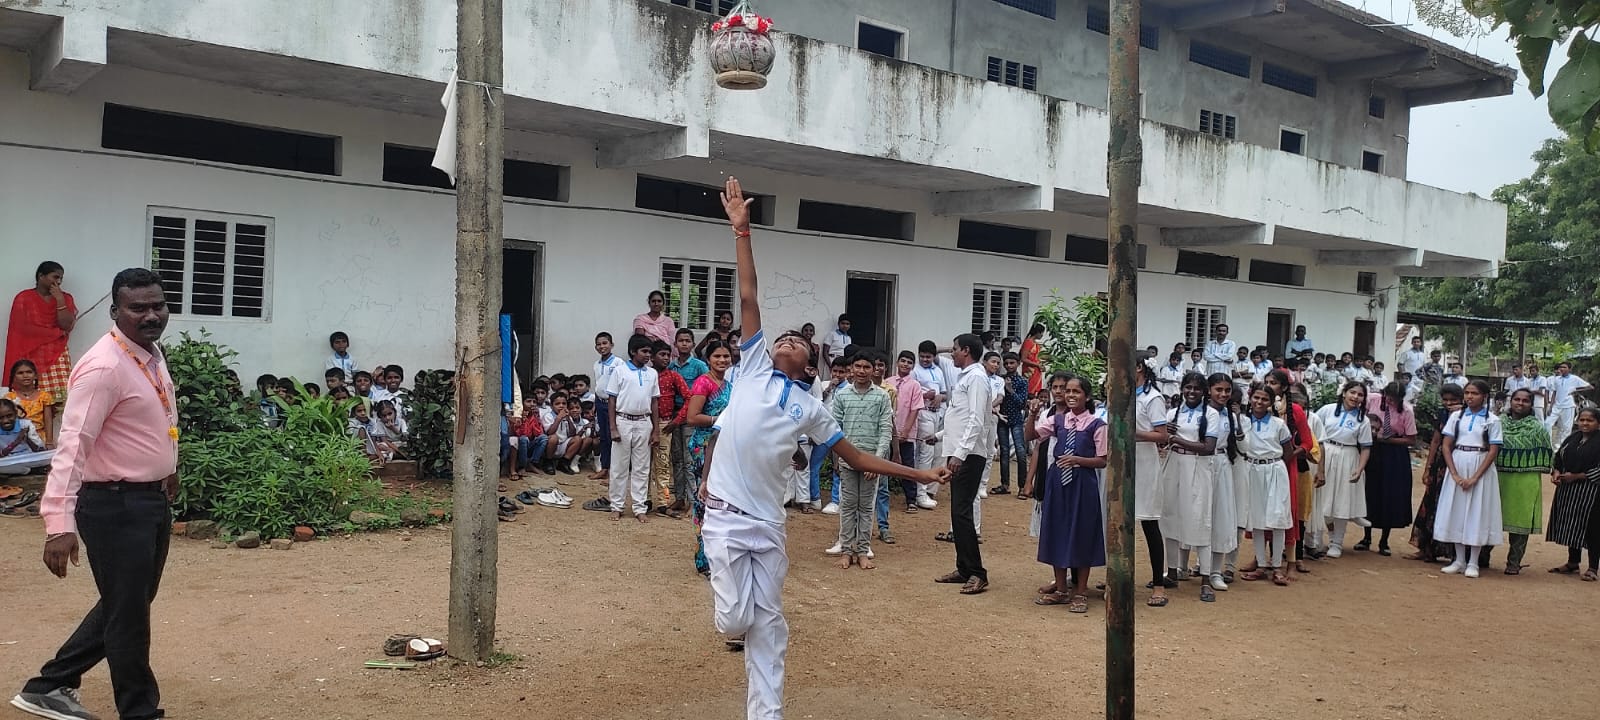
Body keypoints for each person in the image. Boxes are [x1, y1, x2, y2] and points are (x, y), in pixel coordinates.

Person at [698, 177, 946, 718]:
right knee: (737, 622)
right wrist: (742, 232)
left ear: (811, 365)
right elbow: (748, 296)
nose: (782, 340)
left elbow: (855, 458)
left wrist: (919, 477)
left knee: (770, 628)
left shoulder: (812, 407)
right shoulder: (751, 369)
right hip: (723, 519)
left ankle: (767, 713)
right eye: (779, 338)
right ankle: (732, 625)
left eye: (794, 342)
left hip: (766, 526)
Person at [15, 268, 177, 720]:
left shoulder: (149, 353)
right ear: (114, 311)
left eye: (157, 305)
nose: (151, 315)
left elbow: (156, 416)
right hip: (114, 504)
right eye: (137, 308)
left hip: (147, 499)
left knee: (129, 601)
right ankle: (140, 711)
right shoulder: (104, 366)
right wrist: (59, 524)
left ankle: (49, 684)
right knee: (129, 614)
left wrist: (169, 466)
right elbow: (71, 447)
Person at [1026, 373, 1107, 613]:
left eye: (1076, 392)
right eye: (1067, 391)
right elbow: (1031, 436)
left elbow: (1102, 460)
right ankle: (1061, 589)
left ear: (1087, 396)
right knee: (1057, 530)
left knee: (1082, 532)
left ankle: (1080, 591)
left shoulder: (1096, 425)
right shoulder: (1059, 421)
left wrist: (1078, 460)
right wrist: (1032, 414)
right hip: (1057, 482)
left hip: (1083, 484)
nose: (1070, 395)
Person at [932, 333, 993, 596]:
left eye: (955, 349)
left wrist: (960, 454)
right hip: (959, 451)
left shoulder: (977, 378)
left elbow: (977, 420)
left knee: (962, 511)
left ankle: (977, 573)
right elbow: (959, 418)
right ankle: (964, 568)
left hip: (969, 455)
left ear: (966, 351)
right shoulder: (966, 377)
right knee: (957, 512)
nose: (952, 353)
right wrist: (937, 436)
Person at [828, 352, 893, 569]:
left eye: (867, 367)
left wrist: (877, 460)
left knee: (866, 507)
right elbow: (835, 429)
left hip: (871, 461)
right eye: (858, 366)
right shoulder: (842, 395)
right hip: (847, 460)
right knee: (847, 506)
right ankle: (846, 551)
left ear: (874, 369)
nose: (862, 371)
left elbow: (886, 429)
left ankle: (863, 551)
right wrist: (837, 457)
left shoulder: (882, 396)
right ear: (852, 369)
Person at [1161, 373, 1221, 602]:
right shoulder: (1174, 413)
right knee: (1171, 516)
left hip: (1198, 467)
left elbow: (1208, 447)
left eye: (1197, 388)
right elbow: (1163, 441)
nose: (1192, 392)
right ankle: (1173, 571)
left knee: (1199, 519)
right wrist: (1167, 435)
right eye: (1188, 387)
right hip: (1175, 464)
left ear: (1204, 391)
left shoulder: (1211, 414)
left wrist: (1178, 440)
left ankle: (1205, 579)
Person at [1434, 379, 1503, 578]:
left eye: (1474, 393)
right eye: (1467, 393)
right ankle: (1459, 559)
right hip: (1458, 461)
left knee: (1477, 511)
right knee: (1457, 509)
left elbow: (1493, 451)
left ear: (1484, 396)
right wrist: (1454, 473)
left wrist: (1474, 477)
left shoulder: (1492, 420)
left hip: (1480, 464)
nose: (1470, 397)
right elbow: (1446, 445)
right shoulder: (1456, 416)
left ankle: (1473, 561)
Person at [1485, 388, 1550, 575]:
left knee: (1520, 521)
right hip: (1497, 475)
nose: (1520, 403)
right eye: (1517, 399)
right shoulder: (1496, 423)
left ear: (1531, 404)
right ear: (1510, 401)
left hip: (1525, 480)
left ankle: (1514, 562)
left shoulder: (1537, 428)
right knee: (1490, 517)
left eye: (1525, 401)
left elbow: (1546, 453)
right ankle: (1482, 556)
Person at [1236, 386, 1295, 586]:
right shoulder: (1243, 423)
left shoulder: (1279, 424)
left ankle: (1277, 566)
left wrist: (1275, 468)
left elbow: (1288, 451)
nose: (1259, 402)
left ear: (1271, 403)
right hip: (1252, 470)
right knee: (1257, 518)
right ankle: (1261, 564)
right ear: (1250, 398)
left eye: (1264, 399)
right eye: (1256, 398)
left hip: (1275, 470)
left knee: (1277, 517)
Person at [684, 340, 733, 576]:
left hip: (724, 446)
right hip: (704, 446)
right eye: (717, 357)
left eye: (726, 356)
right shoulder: (703, 383)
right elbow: (692, 417)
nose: (722, 360)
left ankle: (720, 554)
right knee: (704, 499)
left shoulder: (730, 385)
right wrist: (720, 421)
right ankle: (703, 558)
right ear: (708, 360)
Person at [5, 262, 78, 402]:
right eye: (55, 277)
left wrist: (60, 300)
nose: (59, 282)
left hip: (57, 354)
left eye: (61, 279)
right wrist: (53, 333)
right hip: (30, 354)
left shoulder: (65, 298)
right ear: (41, 276)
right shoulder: (24, 298)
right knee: (30, 401)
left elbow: (66, 325)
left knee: (58, 401)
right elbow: (22, 330)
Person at [1315, 382, 1372, 558]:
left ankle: (1336, 543)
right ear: (1344, 393)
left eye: (1360, 395)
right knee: (1321, 500)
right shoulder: (1327, 410)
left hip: (1348, 457)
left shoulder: (1363, 419)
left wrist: (1360, 469)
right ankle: (1317, 539)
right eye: (1352, 392)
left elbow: (1365, 447)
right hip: (1325, 454)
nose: (1355, 397)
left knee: (1342, 502)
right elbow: (1313, 430)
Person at [1356, 382, 1415, 556]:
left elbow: (1411, 439)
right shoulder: (1372, 400)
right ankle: (1366, 537)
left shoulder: (1406, 411)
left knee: (1390, 494)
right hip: (1372, 450)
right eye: (1389, 397)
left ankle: (1384, 540)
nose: (1390, 401)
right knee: (1370, 492)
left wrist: (1388, 440)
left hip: (1394, 454)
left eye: (1395, 399)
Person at [1408, 384, 1464, 563]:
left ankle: (1456, 553)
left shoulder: (1468, 415)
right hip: (1440, 465)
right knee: (1432, 503)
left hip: (1460, 464)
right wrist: (1427, 467)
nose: (1448, 404)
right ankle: (1427, 549)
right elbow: (1435, 441)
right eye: (1445, 400)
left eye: (1453, 400)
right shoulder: (1442, 414)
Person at [607, 334, 660, 522]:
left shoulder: (652, 373)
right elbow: (612, 400)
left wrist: (655, 430)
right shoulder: (620, 371)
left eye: (649, 352)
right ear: (632, 352)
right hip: (623, 421)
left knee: (642, 467)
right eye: (644, 351)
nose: (648, 355)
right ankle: (617, 505)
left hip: (644, 422)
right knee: (619, 466)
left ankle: (639, 507)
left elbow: (654, 402)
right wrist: (613, 427)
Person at [1545, 408, 1600, 580]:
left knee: (1592, 529)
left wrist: (1576, 476)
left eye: (1589, 420)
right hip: (1568, 490)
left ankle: (1592, 568)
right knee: (1572, 525)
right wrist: (1556, 472)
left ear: (1598, 423)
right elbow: (1558, 457)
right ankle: (1573, 562)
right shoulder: (1572, 438)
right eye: (1582, 419)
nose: (1584, 423)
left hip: (1592, 491)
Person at [648, 340, 690, 517]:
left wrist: (677, 420)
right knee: (643, 465)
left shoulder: (673, 376)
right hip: (643, 423)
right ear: (652, 356)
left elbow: (689, 397)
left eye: (668, 355)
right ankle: (645, 499)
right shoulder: (646, 375)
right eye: (662, 355)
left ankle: (663, 502)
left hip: (665, 424)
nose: (666, 358)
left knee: (663, 464)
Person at [886, 350, 927, 514]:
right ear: (897, 362)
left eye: (909, 362)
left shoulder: (914, 385)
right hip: (887, 431)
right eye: (903, 361)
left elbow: (915, 409)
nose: (905, 364)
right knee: (883, 465)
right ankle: (880, 497)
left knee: (907, 466)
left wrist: (906, 431)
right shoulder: (887, 382)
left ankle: (911, 499)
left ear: (913, 366)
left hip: (906, 433)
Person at [993, 352, 1030, 495]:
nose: (1009, 366)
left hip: (1016, 419)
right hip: (1002, 418)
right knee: (1004, 451)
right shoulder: (1000, 379)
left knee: (1021, 452)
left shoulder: (1022, 381)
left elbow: (1022, 404)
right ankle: (1005, 484)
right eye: (1006, 363)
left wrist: (1010, 390)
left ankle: (1022, 486)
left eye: (1012, 363)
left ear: (1018, 363)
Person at [589, 332, 624, 481]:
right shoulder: (596, 364)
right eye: (599, 344)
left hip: (613, 405)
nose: (602, 346)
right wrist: (595, 406)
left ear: (611, 344)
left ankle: (614, 471)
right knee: (603, 437)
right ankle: (604, 468)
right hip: (600, 403)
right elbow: (599, 386)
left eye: (605, 343)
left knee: (614, 437)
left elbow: (621, 385)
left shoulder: (618, 363)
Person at [5, 359, 56, 447]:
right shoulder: (9, 398)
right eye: (20, 373)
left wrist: (49, 442)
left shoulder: (44, 396)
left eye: (29, 372)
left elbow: (48, 421)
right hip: (17, 439)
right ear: (14, 377)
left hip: (40, 439)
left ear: (35, 375)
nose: (25, 375)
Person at [1544, 361, 1592, 448]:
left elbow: (1589, 387)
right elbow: (1554, 392)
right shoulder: (1557, 379)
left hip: (1568, 406)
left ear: (1569, 369)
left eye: (1564, 367)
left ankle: (1562, 447)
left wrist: (1575, 390)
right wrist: (1550, 406)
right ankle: (1548, 445)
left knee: (1566, 428)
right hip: (1556, 406)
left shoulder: (1574, 378)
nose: (1561, 369)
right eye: (1561, 367)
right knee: (1547, 424)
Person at [1020, 323, 1045, 396]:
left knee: (1036, 393)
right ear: (1037, 332)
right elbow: (1023, 359)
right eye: (1041, 333)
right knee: (1029, 391)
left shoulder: (1036, 344)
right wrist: (1037, 364)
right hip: (1029, 371)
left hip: (1037, 371)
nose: (1042, 335)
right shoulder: (1028, 342)